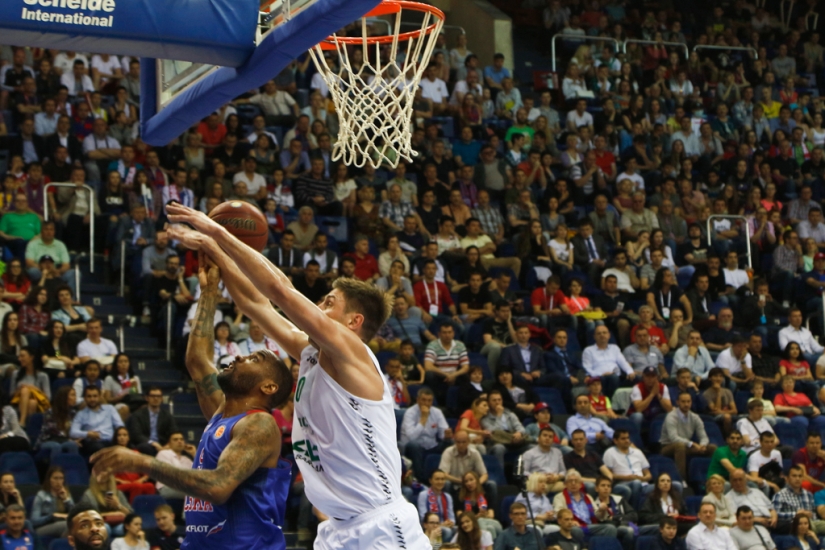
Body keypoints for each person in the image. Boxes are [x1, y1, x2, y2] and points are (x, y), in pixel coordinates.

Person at [90, 258, 293, 550]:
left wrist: (140, 461)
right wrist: (208, 291)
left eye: (253, 359)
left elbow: (218, 486)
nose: (238, 356)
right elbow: (197, 361)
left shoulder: (260, 424)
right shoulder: (224, 413)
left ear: (268, 387)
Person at [660, 391, 716, 481]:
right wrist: (692, 444)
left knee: (712, 448)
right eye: (683, 402)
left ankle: (712, 478)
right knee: (679, 446)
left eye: (688, 401)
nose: (686, 404)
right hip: (668, 446)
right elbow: (673, 438)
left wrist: (702, 445)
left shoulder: (695, 417)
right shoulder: (671, 416)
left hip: (686, 446)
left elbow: (704, 436)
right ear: (677, 402)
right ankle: (682, 480)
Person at [402, 387, 453, 481]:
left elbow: (442, 432)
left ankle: (445, 477)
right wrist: (423, 420)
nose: (426, 403)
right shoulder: (410, 413)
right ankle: (420, 479)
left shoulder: (437, 412)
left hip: (431, 446)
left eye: (429, 401)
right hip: (413, 446)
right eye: (423, 400)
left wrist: (446, 435)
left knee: (449, 443)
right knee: (414, 445)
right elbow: (411, 437)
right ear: (417, 400)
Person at [69, 385, 123, 458]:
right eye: (89, 396)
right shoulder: (81, 414)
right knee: (98, 447)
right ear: (84, 398)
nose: (92, 399)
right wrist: (88, 434)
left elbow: (120, 426)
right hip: (93, 443)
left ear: (100, 396)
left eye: (95, 396)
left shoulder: (110, 409)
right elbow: (73, 432)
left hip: (111, 441)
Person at [603, 429, 652, 505]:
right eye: (623, 439)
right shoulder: (610, 452)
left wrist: (642, 478)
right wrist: (627, 477)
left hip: (643, 483)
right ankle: (635, 511)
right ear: (615, 441)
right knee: (636, 483)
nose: (627, 441)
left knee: (674, 485)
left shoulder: (637, 452)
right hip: (622, 483)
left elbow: (648, 474)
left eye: (628, 438)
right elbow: (607, 475)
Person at [125, 387, 177, 456]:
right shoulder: (137, 415)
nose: (156, 398)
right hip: (146, 444)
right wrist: (152, 443)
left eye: (158, 396)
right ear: (147, 398)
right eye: (153, 396)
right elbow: (137, 435)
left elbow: (174, 432)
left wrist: (168, 445)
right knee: (146, 448)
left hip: (163, 445)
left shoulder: (167, 415)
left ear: (162, 399)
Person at [772, 465, 823, 532]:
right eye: (794, 476)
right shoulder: (779, 495)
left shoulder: (808, 494)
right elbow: (775, 515)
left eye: (800, 476)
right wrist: (796, 514)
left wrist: (810, 514)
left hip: (811, 523)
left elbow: (814, 514)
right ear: (787, 478)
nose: (797, 479)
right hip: (792, 525)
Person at [31, 466, 74, 538]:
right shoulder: (41, 495)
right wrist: (52, 516)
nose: (58, 482)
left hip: (61, 524)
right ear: (49, 480)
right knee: (66, 525)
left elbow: (75, 515)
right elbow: (34, 521)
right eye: (55, 478)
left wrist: (66, 500)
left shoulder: (66, 493)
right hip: (42, 528)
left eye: (61, 478)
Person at [521, 427, 566, 493]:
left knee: (571, 487)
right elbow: (524, 472)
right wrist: (540, 477)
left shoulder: (557, 452)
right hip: (538, 483)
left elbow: (563, 471)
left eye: (550, 437)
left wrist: (557, 477)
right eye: (545, 435)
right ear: (539, 438)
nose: (547, 438)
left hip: (554, 482)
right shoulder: (529, 454)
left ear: (553, 440)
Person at [153, 432, 194, 500]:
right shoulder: (163, 454)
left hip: (185, 488)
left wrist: (195, 454)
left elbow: (200, 474)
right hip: (167, 488)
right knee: (196, 494)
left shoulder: (187, 459)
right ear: (169, 444)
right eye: (175, 440)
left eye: (181, 439)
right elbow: (172, 475)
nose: (179, 441)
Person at [419, 470, 456, 541]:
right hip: (430, 525)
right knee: (447, 531)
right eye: (437, 479)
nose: (440, 482)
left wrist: (450, 522)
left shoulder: (447, 496)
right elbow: (423, 517)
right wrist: (440, 525)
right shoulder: (423, 495)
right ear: (430, 481)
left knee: (459, 530)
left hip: (445, 525)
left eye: (442, 479)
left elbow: (452, 518)